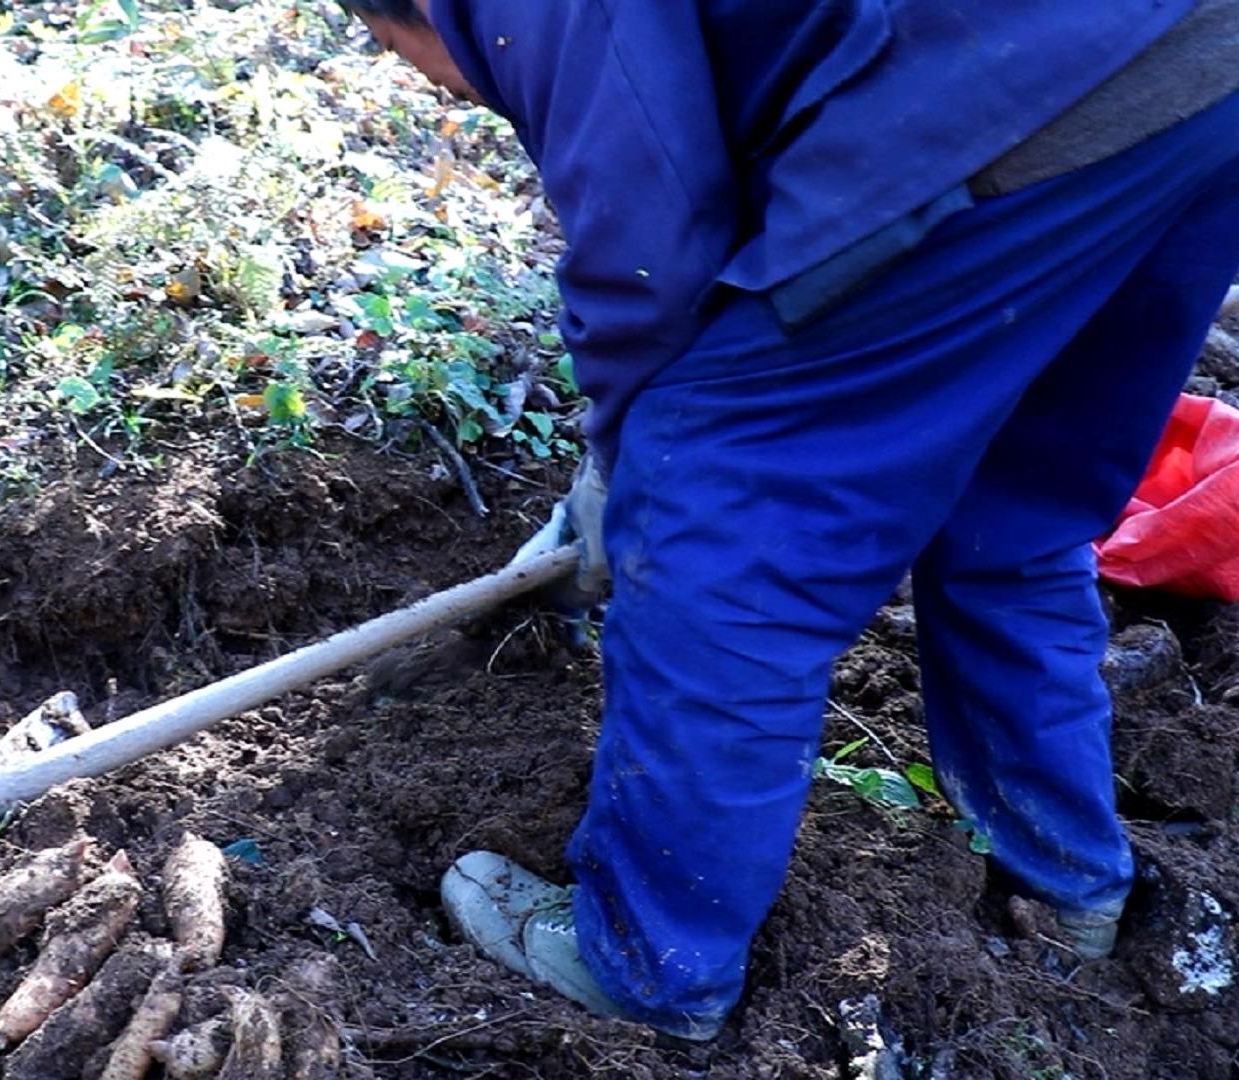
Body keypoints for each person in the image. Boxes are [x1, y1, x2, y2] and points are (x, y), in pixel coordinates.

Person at [338, 0, 1239, 1041]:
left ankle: (647, 964)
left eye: (412, 69)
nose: (445, 91)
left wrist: (640, 468)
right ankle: (1067, 881)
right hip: (1199, 74)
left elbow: (649, 241)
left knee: (723, 524)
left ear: (396, 20)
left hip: (1016, 89)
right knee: (1015, 512)